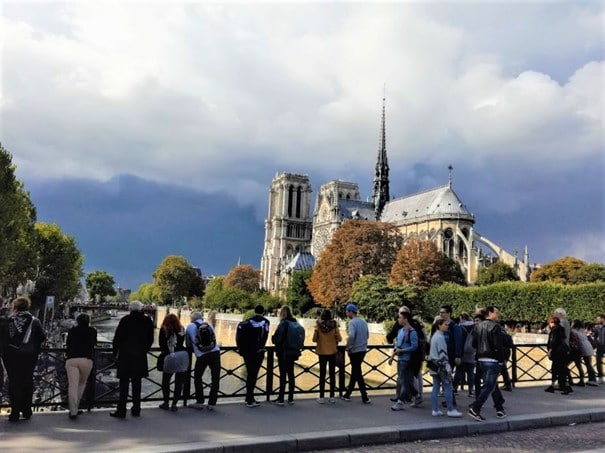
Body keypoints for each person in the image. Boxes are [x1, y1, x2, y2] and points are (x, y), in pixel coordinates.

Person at [0, 296, 46, 422]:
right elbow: (42, 337)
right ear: (28, 307)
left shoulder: (7, 320)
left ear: (14, 307)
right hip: (29, 356)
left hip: (10, 356)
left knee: (13, 382)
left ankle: (14, 412)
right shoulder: (34, 321)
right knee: (27, 381)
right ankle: (26, 410)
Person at [110, 300, 154, 418]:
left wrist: (115, 354)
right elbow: (150, 339)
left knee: (123, 384)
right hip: (140, 356)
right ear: (141, 309)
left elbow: (117, 338)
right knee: (137, 383)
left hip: (125, 355)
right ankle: (136, 409)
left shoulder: (125, 320)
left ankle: (122, 410)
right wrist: (144, 350)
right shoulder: (147, 321)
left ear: (130, 309)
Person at [468, 306, 507, 421]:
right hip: (492, 359)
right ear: (490, 313)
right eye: (496, 312)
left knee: (492, 384)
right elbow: (497, 346)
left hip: (481, 359)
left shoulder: (478, 326)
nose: (498, 314)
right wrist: (501, 360)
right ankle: (476, 408)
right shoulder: (495, 327)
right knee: (490, 385)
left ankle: (499, 409)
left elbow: (474, 344)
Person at [236, 305, 270, 408]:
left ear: (254, 311)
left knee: (249, 373)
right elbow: (265, 336)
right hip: (258, 352)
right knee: (253, 375)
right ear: (263, 311)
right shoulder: (265, 322)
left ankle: (249, 397)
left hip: (246, 351)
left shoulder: (247, 321)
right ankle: (250, 398)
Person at [186, 311, 220, 410]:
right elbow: (214, 340)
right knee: (215, 378)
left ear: (192, 318)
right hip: (215, 353)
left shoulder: (189, 327)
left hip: (201, 355)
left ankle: (200, 401)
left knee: (197, 377)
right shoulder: (208, 325)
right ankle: (212, 404)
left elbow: (188, 344)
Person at [65, 313, 97, 419]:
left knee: (72, 385)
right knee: (82, 383)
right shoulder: (92, 331)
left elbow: (68, 343)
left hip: (72, 359)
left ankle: (73, 411)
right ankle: (77, 406)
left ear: (77, 321)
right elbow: (94, 343)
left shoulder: (72, 330)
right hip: (86, 360)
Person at [429, 318, 462, 417]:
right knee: (448, 387)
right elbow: (442, 354)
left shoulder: (435, 336)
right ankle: (450, 409)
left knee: (435, 387)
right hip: (441, 365)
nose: (447, 326)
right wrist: (448, 367)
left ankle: (435, 409)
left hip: (433, 365)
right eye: (445, 324)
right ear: (439, 325)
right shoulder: (440, 337)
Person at [271, 305, 302, 405]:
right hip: (293, 351)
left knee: (283, 375)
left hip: (283, 352)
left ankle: (281, 398)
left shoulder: (284, 323)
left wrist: (273, 339)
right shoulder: (295, 322)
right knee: (291, 374)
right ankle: (291, 398)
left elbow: (277, 338)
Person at [388, 310, 418, 411]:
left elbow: (414, 346)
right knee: (406, 380)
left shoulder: (412, 332)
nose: (398, 319)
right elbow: (397, 345)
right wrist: (392, 357)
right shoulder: (400, 331)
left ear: (405, 319)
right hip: (400, 358)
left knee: (403, 381)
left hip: (407, 359)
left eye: (400, 318)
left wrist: (403, 350)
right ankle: (417, 395)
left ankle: (400, 402)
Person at [341, 303, 371, 404]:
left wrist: (348, 346)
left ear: (350, 312)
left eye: (346, 311)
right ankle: (347, 394)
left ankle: (364, 396)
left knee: (357, 373)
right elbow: (367, 335)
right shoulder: (363, 321)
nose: (346, 313)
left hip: (355, 351)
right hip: (363, 350)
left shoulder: (352, 323)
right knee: (355, 372)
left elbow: (352, 336)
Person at [158, 313, 187, 411]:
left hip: (170, 356)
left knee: (166, 381)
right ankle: (174, 405)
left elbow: (161, 344)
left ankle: (166, 402)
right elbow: (183, 341)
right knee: (179, 383)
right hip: (183, 355)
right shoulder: (182, 329)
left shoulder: (164, 329)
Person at [313, 308, 342, 404]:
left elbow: (314, 339)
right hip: (332, 352)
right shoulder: (334, 326)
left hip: (322, 352)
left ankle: (321, 397)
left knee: (322, 375)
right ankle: (332, 396)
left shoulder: (318, 326)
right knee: (332, 374)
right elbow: (339, 338)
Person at [545, 316, 572, 395]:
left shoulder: (554, 330)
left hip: (557, 353)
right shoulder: (561, 329)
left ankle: (561, 387)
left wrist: (550, 350)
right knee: (561, 369)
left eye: (549, 322)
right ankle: (564, 386)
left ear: (552, 323)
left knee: (556, 369)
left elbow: (553, 341)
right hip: (563, 352)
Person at [454, 312, 476, 396]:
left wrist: (457, 353)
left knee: (458, 371)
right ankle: (471, 390)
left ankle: (455, 389)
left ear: (461, 318)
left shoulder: (460, 327)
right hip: (471, 352)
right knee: (470, 372)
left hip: (462, 351)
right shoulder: (474, 326)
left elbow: (458, 340)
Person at [571, 320, 598, 387]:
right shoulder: (582, 330)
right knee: (588, 364)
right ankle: (592, 379)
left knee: (587, 364)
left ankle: (592, 380)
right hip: (588, 346)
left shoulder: (573, 331)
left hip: (583, 347)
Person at [593, 314, 605, 384]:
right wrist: (596, 342)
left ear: (602, 319)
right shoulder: (597, 327)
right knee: (598, 362)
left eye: (598, 319)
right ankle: (600, 377)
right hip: (600, 346)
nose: (597, 320)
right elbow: (595, 336)